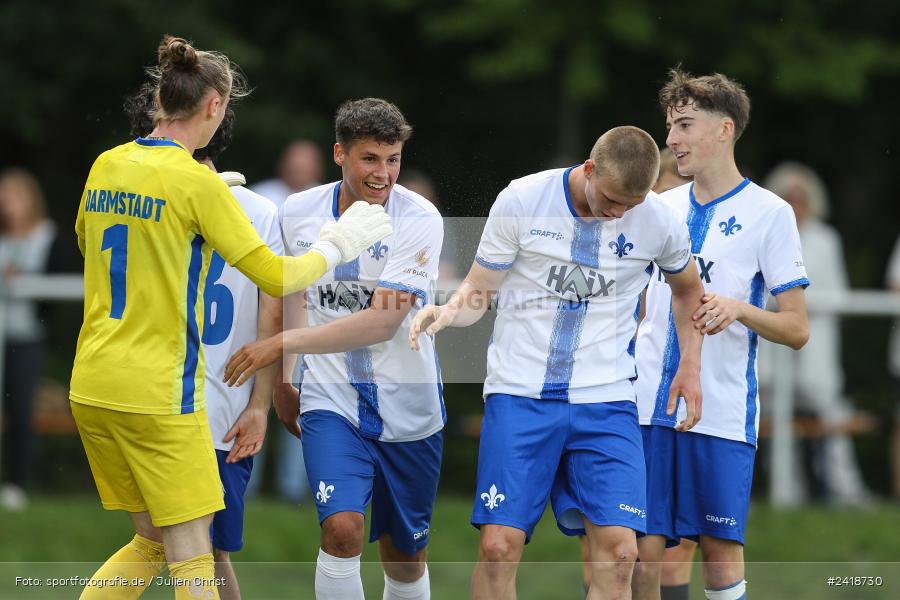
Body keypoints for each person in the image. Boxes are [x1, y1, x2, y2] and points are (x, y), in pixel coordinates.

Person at [69, 36, 391, 600]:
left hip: (93, 382)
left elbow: (85, 242)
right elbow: (277, 276)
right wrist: (338, 244)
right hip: (159, 392)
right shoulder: (197, 181)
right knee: (195, 555)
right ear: (214, 106)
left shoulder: (107, 163)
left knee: (150, 540)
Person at [408, 125, 706, 600]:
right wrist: (446, 311)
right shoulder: (524, 199)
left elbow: (689, 291)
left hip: (607, 400)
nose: (616, 214)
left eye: (629, 206)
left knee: (622, 552)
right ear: (589, 169)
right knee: (499, 547)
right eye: (610, 200)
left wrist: (690, 365)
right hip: (520, 395)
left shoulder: (659, 221)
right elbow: (478, 290)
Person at [223, 98, 444, 600]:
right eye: (370, 158)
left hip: (409, 408)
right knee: (341, 530)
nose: (383, 174)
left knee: (405, 558)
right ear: (340, 153)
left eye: (393, 159)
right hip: (330, 399)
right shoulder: (298, 212)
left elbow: (382, 323)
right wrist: (285, 378)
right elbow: (290, 293)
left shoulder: (419, 218)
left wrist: (282, 346)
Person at [633, 68, 810, 600]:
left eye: (685, 125)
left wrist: (739, 309)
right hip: (642, 401)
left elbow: (797, 327)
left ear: (725, 129)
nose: (671, 139)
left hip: (722, 410)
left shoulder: (770, 214)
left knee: (719, 553)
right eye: (670, 126)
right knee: (641, 552)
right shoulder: (657, 208)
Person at [124, 82, 282, 600]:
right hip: (208, 402)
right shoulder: (257, 209)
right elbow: (273, 313)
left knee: (185, 549)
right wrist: (260, 403)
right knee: (195, 551)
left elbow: (272, 310)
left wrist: (258, 405)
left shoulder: (151, 202)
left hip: (184, 400)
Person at [763, 161, 869, 505]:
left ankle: (845, 488)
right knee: (776, 418)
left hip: (816, 343)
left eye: (801, 197)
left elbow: (838, 292)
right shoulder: (766, 233)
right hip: (773, 341)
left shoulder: (826, 239)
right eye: (788, 197)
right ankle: (787, 492)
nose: (795, 204)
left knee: (831, 414)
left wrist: (801, 304)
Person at [0, 168, 67, 510]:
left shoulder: (49, 236)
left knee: (20, 407)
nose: (6, 203)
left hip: (26, 336)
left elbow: (54, 295)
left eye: (12, 195)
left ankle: (17, 484)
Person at [251, 139, 325, 208]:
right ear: (282, 166)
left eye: (304, 167)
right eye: (295, 167)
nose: (298, 174)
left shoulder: (327, 198)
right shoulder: (259, 195)